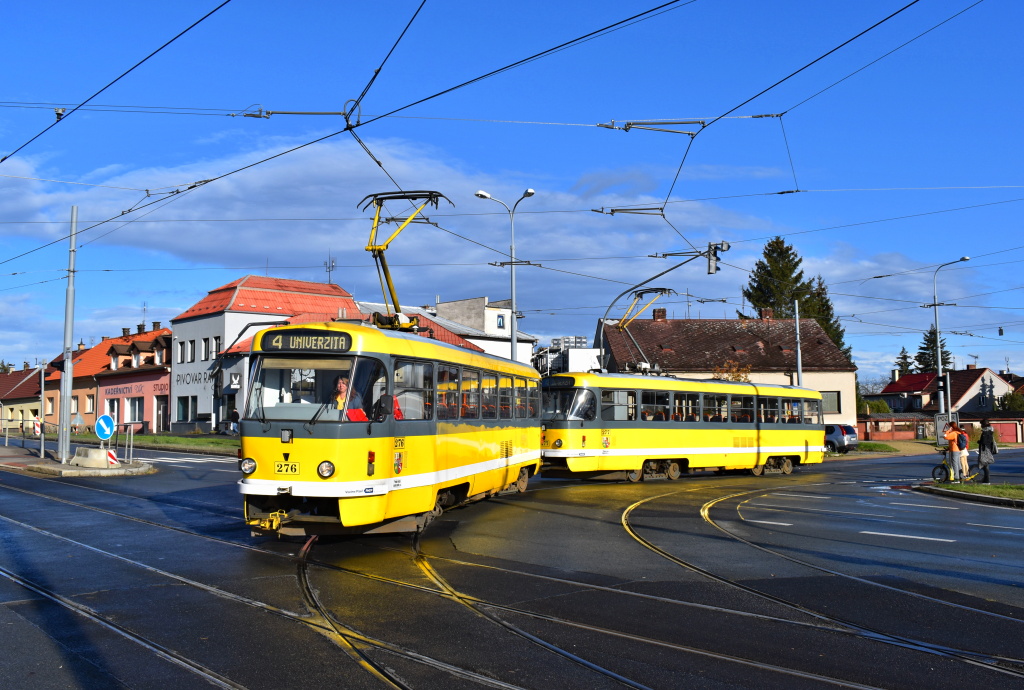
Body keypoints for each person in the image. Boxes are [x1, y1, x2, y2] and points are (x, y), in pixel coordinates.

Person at [977, 418, 998, 484]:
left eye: (981, 424)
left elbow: (984, 441)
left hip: (985, 450)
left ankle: (987, 480)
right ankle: (985, 480)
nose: (981, 426)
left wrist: (980, 442)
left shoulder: (986, 431)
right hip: (988, 448)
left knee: (985, 465)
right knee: (985, 465)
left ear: (983, 424)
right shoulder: (990, 430)